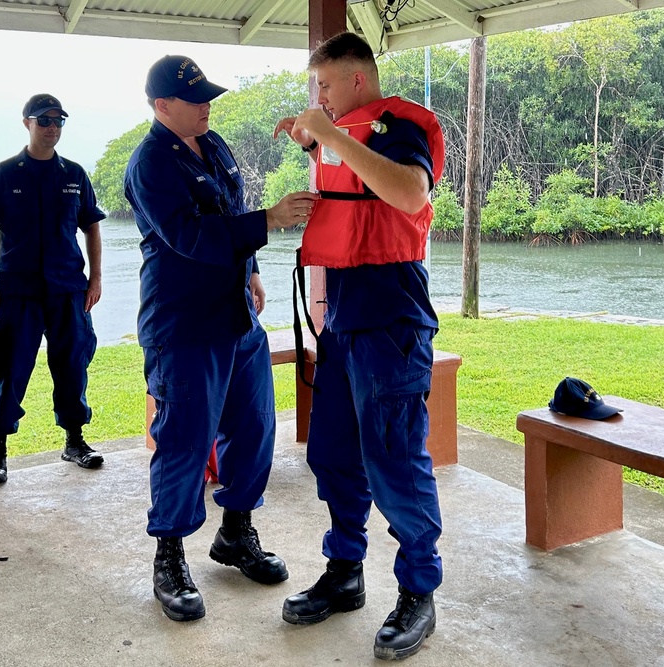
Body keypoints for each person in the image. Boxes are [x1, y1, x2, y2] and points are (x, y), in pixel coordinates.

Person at [124, 55, 319, 623]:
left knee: (256, 425)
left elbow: (228, 209)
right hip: (183, 324)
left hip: (236, 317)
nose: (207, 104)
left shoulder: (215, 145)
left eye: (208, 95)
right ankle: (169, 556)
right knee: (184, 440)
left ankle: (235, 532)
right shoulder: (151, 163)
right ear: (162, 107)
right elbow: (188, 233)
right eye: (195, 98)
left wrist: (253, 266)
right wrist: (270, 220)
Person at [273, 32, 446, 661]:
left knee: (395, 462)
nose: (317, 97)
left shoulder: (398, 127)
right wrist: (315, 133)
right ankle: (345, 570)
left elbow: (409, 193)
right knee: (335, 456)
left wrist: (331, 133)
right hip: (344, 320)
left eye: (323, 85)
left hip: (392, 321)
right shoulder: (347, 129)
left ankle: (418, 592)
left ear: (355, 81)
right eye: (313, 88)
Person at [0, 93, 106, 486]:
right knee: (8, 371)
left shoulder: (75, 175)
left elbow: (92, 226)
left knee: (72, 366)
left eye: (59, 120)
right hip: (17, 292)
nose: (52, 127)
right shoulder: (4, 174)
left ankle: (75, 441)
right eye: (44, 120)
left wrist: (95, 279)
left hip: (68, 289)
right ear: (26, 123)